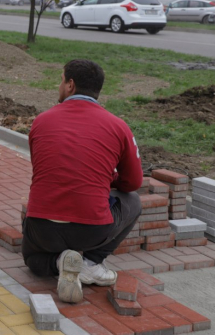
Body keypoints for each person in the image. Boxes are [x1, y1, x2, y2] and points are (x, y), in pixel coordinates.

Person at [22, 59, 143, 304]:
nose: (59, 86)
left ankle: (60, 262)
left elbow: (47, 168)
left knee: (32, 260)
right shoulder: (119, 127)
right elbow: (132, 182)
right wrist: (106, 178)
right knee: (133, 201)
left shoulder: (41, 121)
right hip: (91, 231)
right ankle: (91, 262)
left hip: (42, 227)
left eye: (61, 80)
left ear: (70, 85)